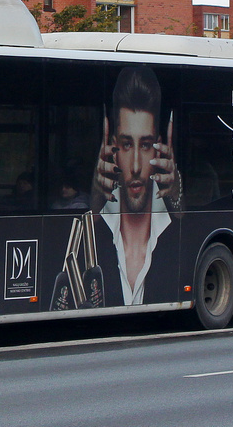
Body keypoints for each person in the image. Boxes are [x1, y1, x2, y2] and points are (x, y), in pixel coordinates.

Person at [89, 67, 182, 305]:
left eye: (146, 145)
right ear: (112, 148)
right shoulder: (91, 234)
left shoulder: (178, 237)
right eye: (127, 145)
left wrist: (178, 200)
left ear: (160, 148)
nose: (137, 166)